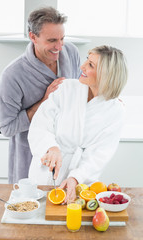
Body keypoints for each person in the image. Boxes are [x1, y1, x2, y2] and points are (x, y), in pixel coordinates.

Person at [28, 45, 128, 202]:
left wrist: (75, 177)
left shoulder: (115, 111)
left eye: (90, 65)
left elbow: (99, 155)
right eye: (86, 60)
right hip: (44, 173)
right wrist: (51, 147)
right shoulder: (66, 88)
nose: (82, 66)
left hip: (80, 182)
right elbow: (40, 123)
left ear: (105, 75)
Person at [0, 7, 81, 184]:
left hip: (68, 154)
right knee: (31, 207)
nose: (59, 47)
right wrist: (44, 102)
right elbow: (7, 128)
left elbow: (80, 90)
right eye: (52, 41)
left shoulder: (71, 53)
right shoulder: (13, 75)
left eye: (62, 39)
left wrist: (104, 97)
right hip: (31, 156)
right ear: (33, 37)